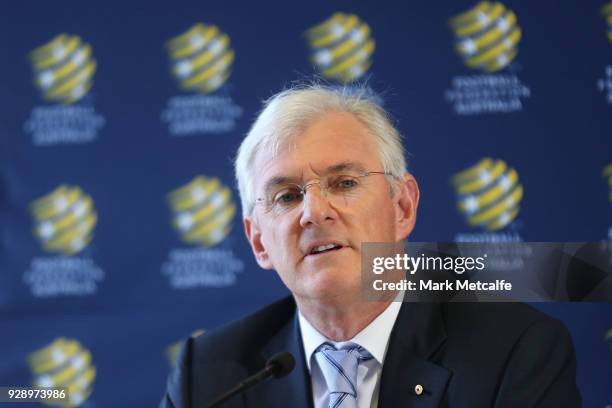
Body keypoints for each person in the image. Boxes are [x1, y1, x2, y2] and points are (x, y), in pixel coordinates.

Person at [160, 84, 581, 407]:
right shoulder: (210, 376)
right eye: (287, 196)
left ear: (402, 207)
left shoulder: (515, 351)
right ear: (258, 242)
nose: (313, 212)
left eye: (343, 184)